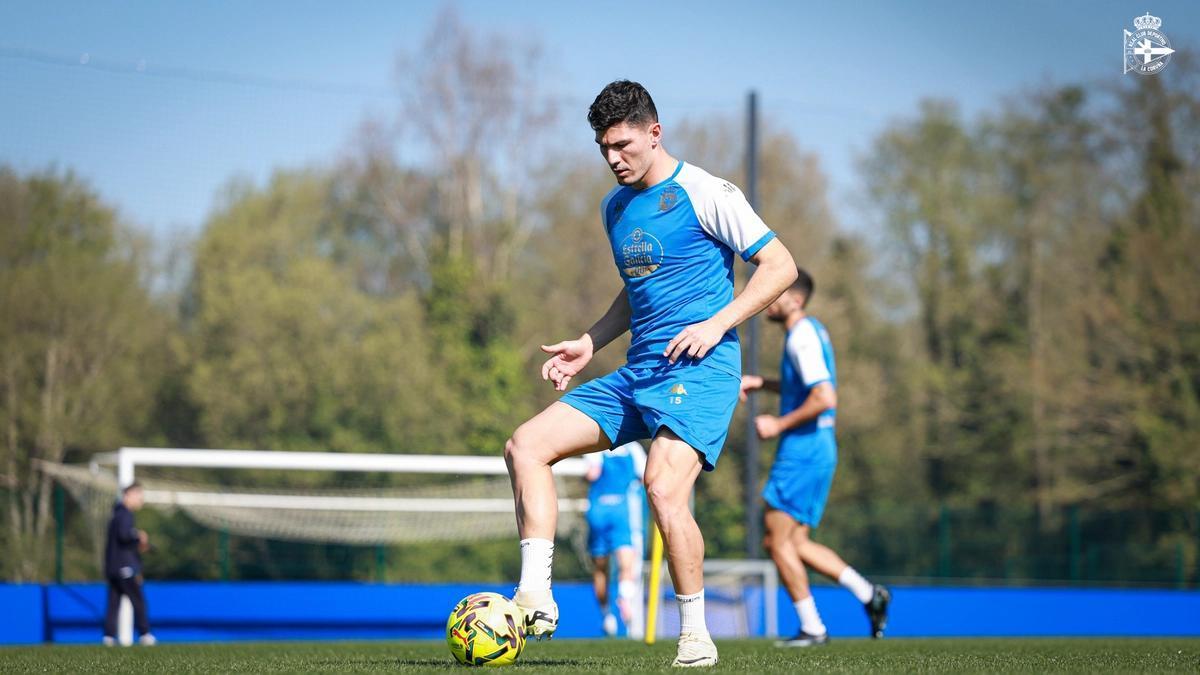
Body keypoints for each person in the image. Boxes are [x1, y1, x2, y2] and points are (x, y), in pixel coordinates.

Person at [504, 79, 797, 668]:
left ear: (654, 132)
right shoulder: (614, 206)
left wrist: (718, 323)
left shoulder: (705, 191)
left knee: (662, 487)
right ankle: (535, 592)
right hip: (639, 372)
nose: (614, 158)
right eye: (604, 148)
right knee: (525, 446)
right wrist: (590, 342)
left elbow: (780, 265)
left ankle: (694, 632)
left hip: (703, 369)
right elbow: (635, 290)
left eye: (623, 144)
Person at [740, 268, 890, 647]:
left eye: (776, 291)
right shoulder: (810, 332)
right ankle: (869, 594)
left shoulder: (801, 337)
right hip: (818, 448)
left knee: (775, 541)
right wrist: (763, 383)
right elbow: (805, 386)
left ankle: (812, 628)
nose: (768, 298)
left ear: (796, 299)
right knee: (797, 543)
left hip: (803, 451)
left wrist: (778, 424)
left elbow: (824, 397)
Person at [583, 440, 646, 637]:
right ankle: (625, 597)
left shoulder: (596, 446)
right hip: (622, 511)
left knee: (600, 568)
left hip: (598, 510)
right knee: (627, 563)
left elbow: (592, 474)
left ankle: (606, 616)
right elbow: (645, 477)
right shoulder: (633, 448)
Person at [102, 482, 155, 646]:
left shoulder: (116, 515)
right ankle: (145, 634)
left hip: (112, 567)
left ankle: (109, 637)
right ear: (129, 495)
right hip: (125, 568)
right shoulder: (125, 515)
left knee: (114, 603)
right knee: (138, 601)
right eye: (138, 496)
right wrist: (138, 536)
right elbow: (125, 535)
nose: (141, 500)